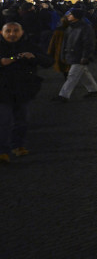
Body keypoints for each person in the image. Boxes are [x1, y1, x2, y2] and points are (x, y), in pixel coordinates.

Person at [0, 22, 53, 163]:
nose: (12, 34)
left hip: (23, 90)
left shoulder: (30, 46)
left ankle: (18, 146)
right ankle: (3, 150)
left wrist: (34, 57)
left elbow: (48, 62)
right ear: (2, 33)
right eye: (8, 31)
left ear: (22, 32)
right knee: (4, 121)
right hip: (2, 91)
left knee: (22, 121)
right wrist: (7, 61)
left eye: (16, 30)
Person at [53, 8, 97, 102]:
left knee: (72, 75)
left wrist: (85, 56)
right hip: (74, 53)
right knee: (83, 73)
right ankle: (93, 89)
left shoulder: (84, 27)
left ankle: (63, 95)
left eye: (70, 14)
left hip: (79, 54)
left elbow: (88, 43)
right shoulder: (72, 27)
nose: (68, 16)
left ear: (76, 16)